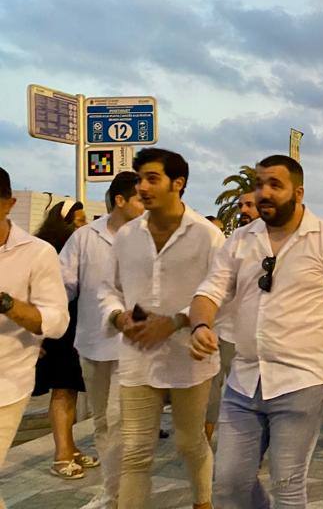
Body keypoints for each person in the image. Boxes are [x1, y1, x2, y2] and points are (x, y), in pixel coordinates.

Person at [188, 155, 323, 508]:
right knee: (229, 484)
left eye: (275, 185)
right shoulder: (240, 240)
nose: (263, 193)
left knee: (287, 483)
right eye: (259, 184)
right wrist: (199, 324)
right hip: (244, 380)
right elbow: (210, 291)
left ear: (298, 192)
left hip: (302, 379)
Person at [98, 148, 222, 508]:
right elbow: (108, 288)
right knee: (135, 450)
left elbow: (220, 291)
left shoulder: (206, 235)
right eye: (140, 179)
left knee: (189, 441)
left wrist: (176, 322)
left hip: (189, 356)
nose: (143, 187)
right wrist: (118, 317)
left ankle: (203, 502)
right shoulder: (126, 236)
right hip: (136, 357)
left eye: (153, 178)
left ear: (177, 183)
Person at [60, 172, 143, 508]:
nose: (146, 202)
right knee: (103, 424)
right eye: (139, 197)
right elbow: (63, 284)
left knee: (123, 423)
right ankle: (113, 493)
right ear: (120, 200)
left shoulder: (150, 237)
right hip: (93, 343)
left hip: (135, 348)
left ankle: (124, 496)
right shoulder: (84, 237)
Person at [0, 166, 70, 507]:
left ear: (8, 204)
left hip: (6, 383)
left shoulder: (37, 253)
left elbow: (56, 321)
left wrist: (7, 304)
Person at [32, 200, 93, 481]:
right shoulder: (46, 252)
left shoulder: (74, 252)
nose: (83, 226)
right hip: (56, 334)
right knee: (62, 391)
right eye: (78, 221)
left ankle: (70, 446)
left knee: (69, 391)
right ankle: (61, 456)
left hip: (74, 330)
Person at [204, 190, 258, 443]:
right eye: (241, 205)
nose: (244, 210)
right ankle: (205, 440)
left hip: (253, 335)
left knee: (249, 392)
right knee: (211, 389)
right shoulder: (232, 242)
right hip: (222, 328)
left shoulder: (275, 245)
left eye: (250, 205)